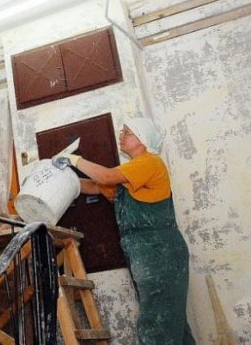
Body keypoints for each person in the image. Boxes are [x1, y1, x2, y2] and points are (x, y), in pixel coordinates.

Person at [52, 117, 195, 345]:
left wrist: (73, 159)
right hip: (145, 254)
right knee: (170, 321)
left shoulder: (150, 163)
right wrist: (60, 178)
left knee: (158, 323)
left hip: (160, 252)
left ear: (142, 139)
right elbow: (95, 185)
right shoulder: (128, 175)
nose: (121, 136)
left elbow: (105, 176)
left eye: (127, 132)